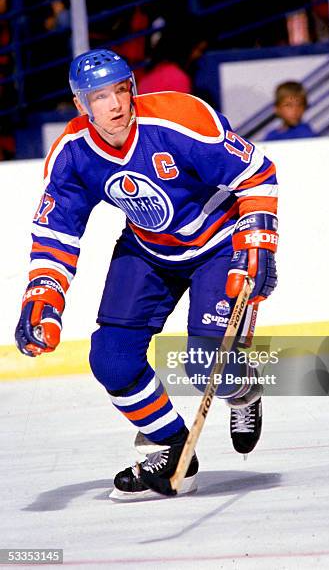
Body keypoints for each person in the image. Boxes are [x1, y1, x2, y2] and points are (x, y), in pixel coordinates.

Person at [15, 49, 278, 501]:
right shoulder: (72, 153)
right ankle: (174, 449)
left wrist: (257, 247)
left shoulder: (181, 119)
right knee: (111, 358)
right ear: (80, 105)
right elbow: (56, 232)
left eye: (121, 90)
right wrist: (44, 296)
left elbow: (256, 175)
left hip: (218, 243)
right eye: (100, 96)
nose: (116, 105)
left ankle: (244, 390)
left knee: (205, 364)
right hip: (149, 248)